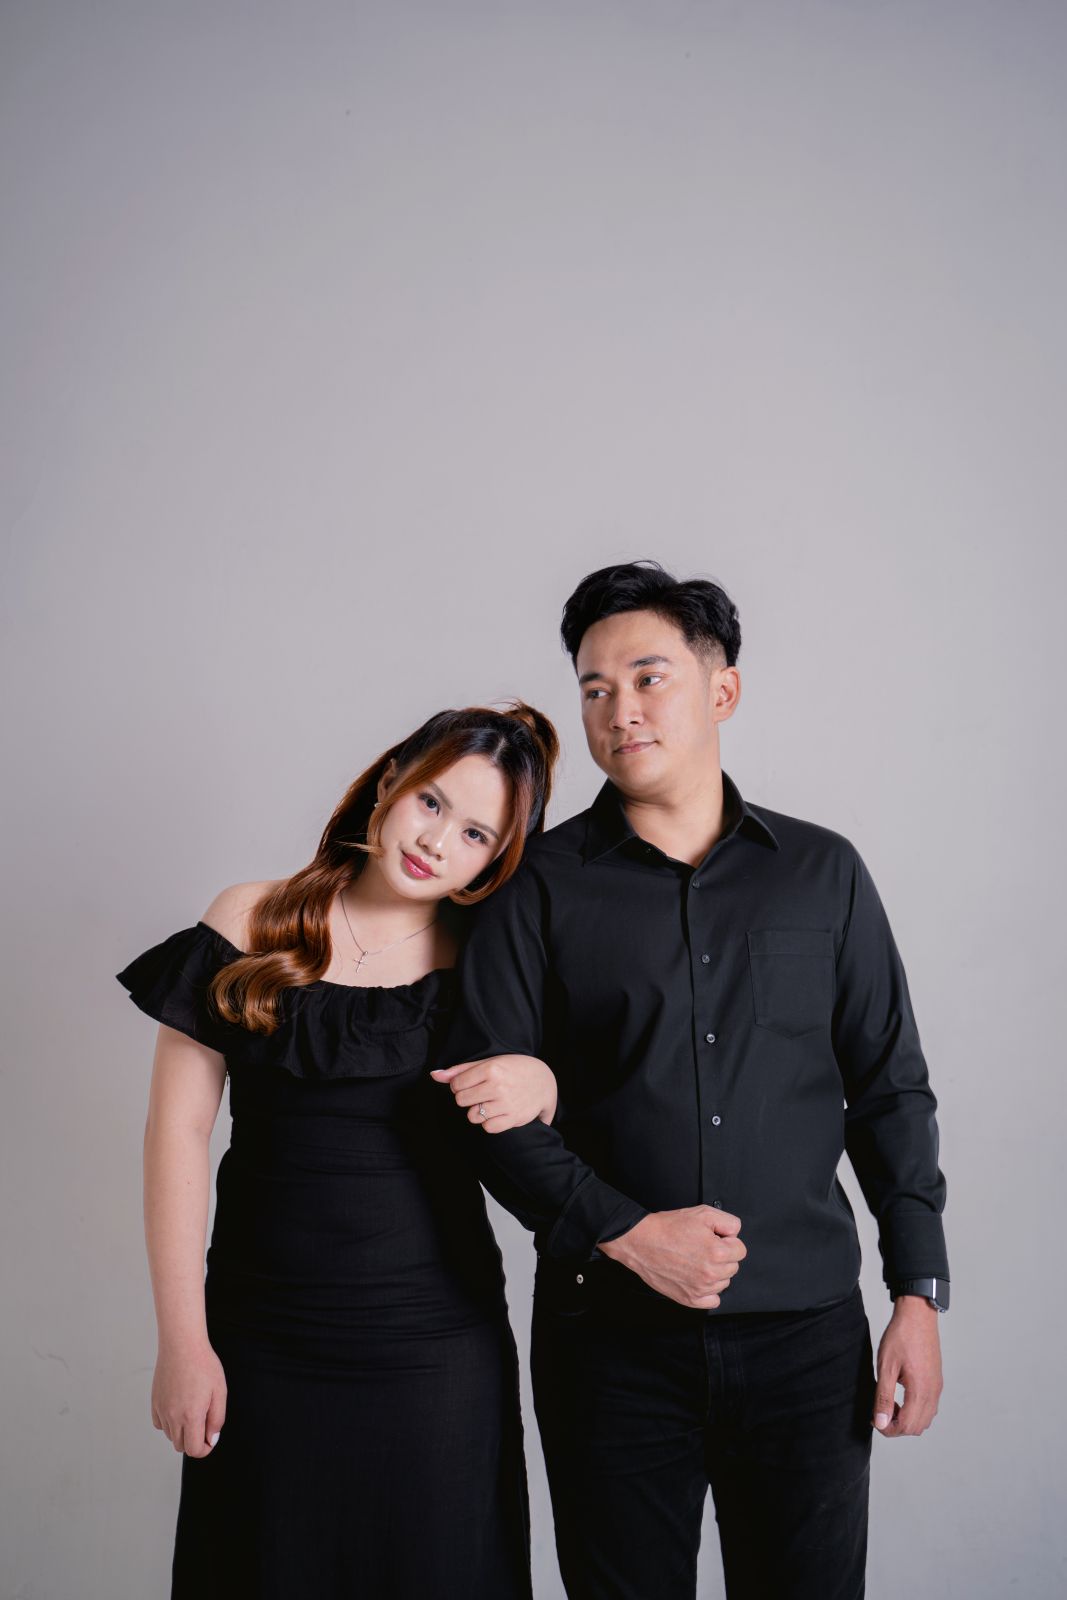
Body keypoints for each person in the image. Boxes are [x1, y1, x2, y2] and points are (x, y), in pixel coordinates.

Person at [431, 562, 949, 1600]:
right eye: (593, 687)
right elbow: (482, 1111)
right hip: (607, 1343)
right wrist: (628, 1233)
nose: (617, 709)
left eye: (647, 677)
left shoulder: (823, 873)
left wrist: (916, 1292)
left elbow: (888, 1089)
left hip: (807, 1338)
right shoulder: (533, 887)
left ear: (722, 690)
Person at [115, 701, 563, 1600]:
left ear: (493, 861)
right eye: (431, 802)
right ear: (390, 780)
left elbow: (563, 1105)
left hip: (434, 1351)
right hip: (260, 1339)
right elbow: (177, 1135)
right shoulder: (250, 917)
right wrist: (183, 1342)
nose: (436, 841)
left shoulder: (488, 958)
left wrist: (542, 1080)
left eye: (474, 834)